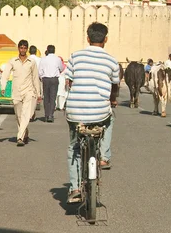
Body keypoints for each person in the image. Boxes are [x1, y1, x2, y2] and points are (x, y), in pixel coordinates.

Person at [65, 22, 120, 204]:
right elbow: (114, 86)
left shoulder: (75, 57)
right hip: (99, 113)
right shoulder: (112, 61)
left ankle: (74, 187)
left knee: (74, 147)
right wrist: (112, 100)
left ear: (88, 38)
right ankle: (104, 157)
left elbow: (69, 82)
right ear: (105, 39)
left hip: (75, 111)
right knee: (110, 119)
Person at [1, 40, 41, 147]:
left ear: (27, 49)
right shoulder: (13, 61)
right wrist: (3, 87)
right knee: (19, 116)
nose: (23, 50)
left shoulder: (31, 62)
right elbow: (5, 74)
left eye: (24, 48)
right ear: (18, 48)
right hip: (17, 92)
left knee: (26, 114)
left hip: (29, 91)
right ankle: (25, 132)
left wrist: (38, 93)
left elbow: (35, 78)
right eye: (21, 48)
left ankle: (20, 137)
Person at [38, 45, 64, 123]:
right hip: (54, 79)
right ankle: (50, 115)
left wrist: (41, 77)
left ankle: (46, 115)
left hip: (45, 79)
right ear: (54, 50)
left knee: (46, 97)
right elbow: (61, 68)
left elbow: (40, 71)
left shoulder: (43, 59)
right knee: (53, 97)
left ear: (47, 50)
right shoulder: (58, 59)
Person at [28, 46, 41, 122]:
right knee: (34, 97)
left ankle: (29, 114)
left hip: (28, 80)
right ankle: (31, 113)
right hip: (36, 79)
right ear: (36, 51)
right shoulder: (39, 60)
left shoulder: (26, 59)